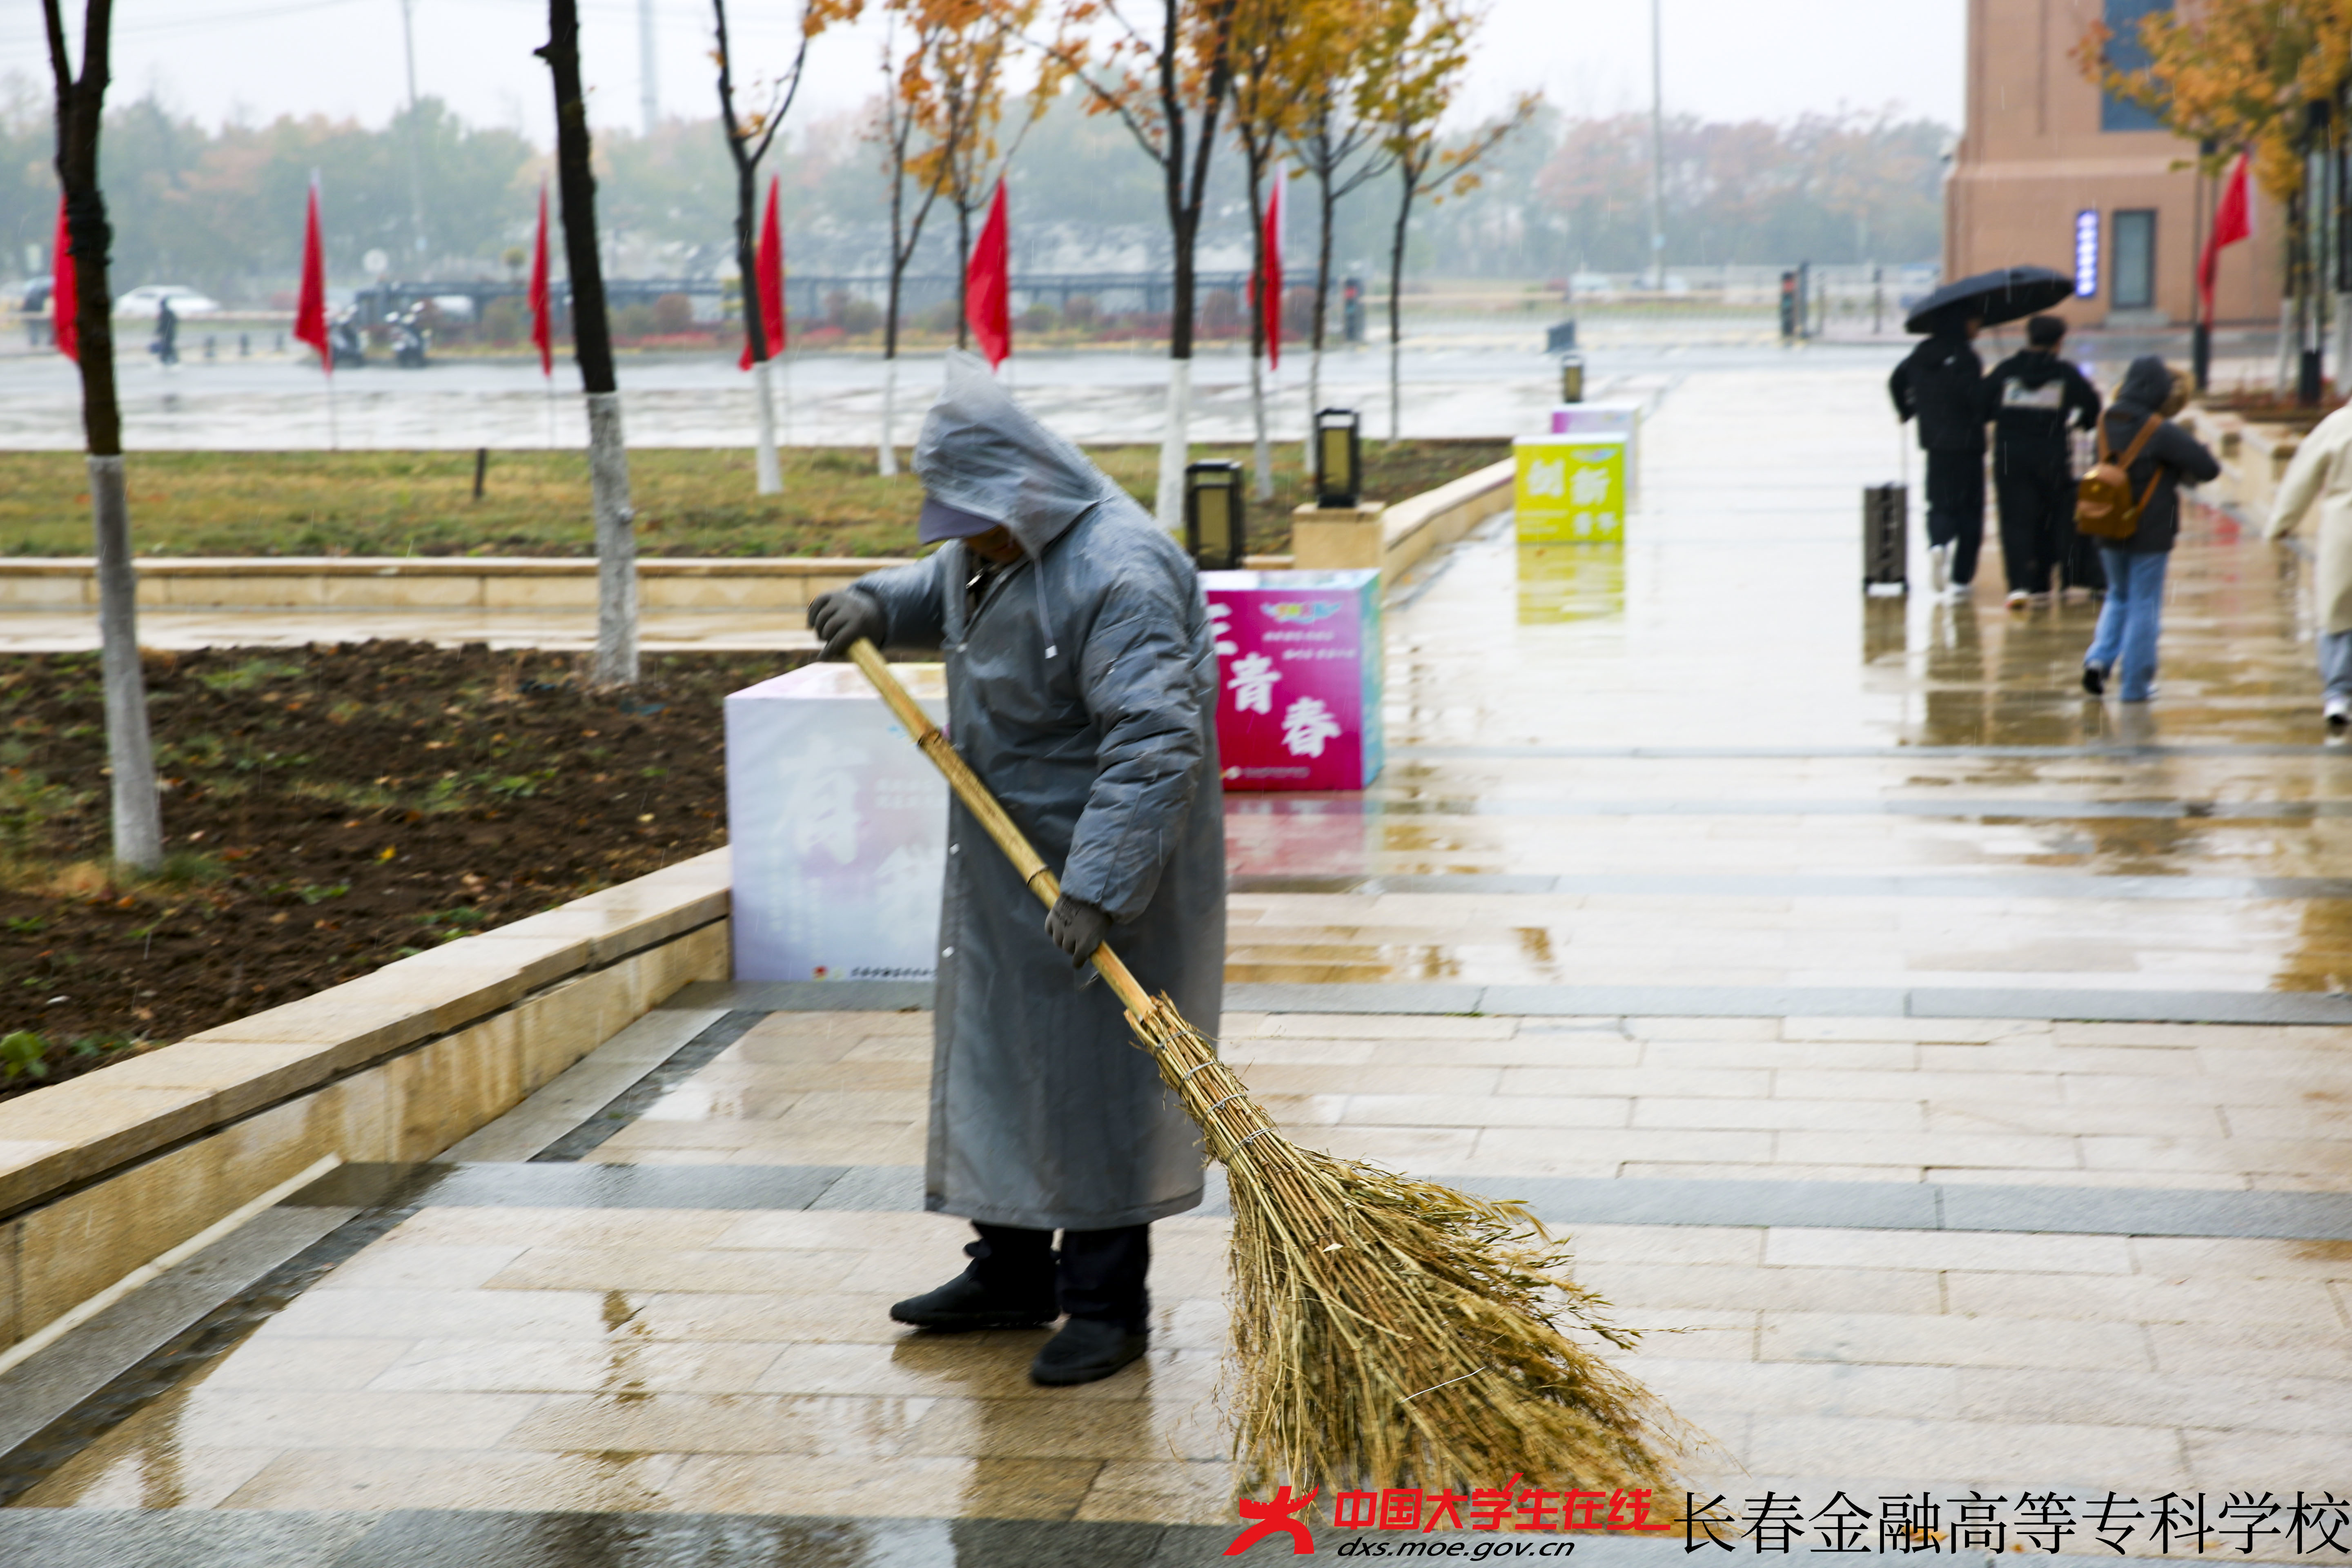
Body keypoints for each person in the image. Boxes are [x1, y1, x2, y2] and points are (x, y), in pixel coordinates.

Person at [806, 353, 1223, 1389]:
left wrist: (1100, 885)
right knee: (1001, 1058)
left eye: (977, 520)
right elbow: (941, 590)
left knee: (1093, 1088)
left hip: (1102, 873)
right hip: (1005, 866)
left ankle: (1103, 1303)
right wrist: (869, 603)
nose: (963, 540)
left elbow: (1153, 741)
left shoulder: (1117, 571)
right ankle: (1006, 1269)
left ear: (1025, 489)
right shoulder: (997, 543)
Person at [2080, 356, 2220, 702]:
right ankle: (2135, 686)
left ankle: (2099, 660)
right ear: (2157, 391)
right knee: (2144, 602)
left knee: (2118, 594)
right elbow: (2208, 469)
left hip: (2107, 524)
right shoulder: (2159, 430)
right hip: (2150, 529)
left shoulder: (2105, 421)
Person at [1981, 314, 2100, 606]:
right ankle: (2044, 579)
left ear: (2028, 337)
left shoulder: (2006, 371)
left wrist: (2004, 414)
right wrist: (2079, 423)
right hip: (2052, 456)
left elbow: (1981, 406)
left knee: (2015, 521)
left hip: (2011, 456)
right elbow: (2092, 406)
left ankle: (2020, 585)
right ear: (2060, 342)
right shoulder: (2066, 374)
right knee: (2050, 517)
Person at [2265, 399, 2352, 731]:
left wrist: (2281, 523)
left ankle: (2338, 694)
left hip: (2344, 530)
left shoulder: (2339, 424)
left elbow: (2303, 476)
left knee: (2337, 613)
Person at [1891, 311, 1988, 602]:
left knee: (1941, 503)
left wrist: (1908, 411)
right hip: (1968, 445)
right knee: (1970, 509)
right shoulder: (1967, 357)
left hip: (1936, 443)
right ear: (1960, 323)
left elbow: (1896, 381)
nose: (1978, 325)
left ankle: (1938, 544)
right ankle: (1961, 578)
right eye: (1974, 321)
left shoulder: (1921, 354)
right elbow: (1975, 398)